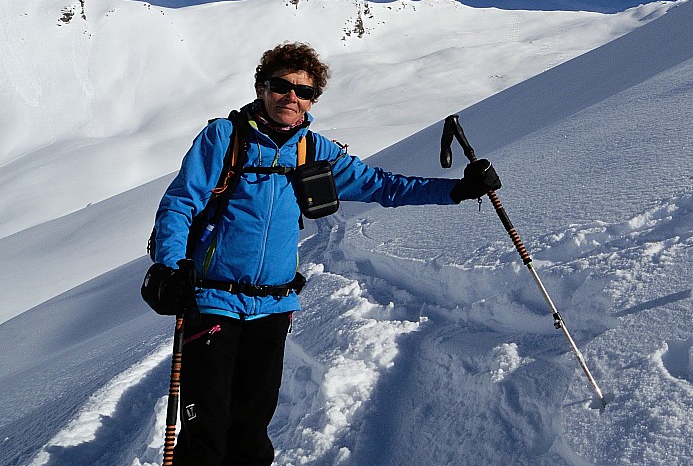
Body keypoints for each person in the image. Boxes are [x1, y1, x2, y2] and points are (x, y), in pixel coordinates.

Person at [142, 42, 499, 466]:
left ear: (313, 99)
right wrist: (171, 265)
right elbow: (181, 202)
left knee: (251, 431)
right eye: (282, 85)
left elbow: (383, 186)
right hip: (213, 301)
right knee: (207, 431)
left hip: (273, 307)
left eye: (304, 91)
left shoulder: (316, 152)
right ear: (262, 87)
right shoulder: (225, 138)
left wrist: (456, 190)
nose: (292, 96)